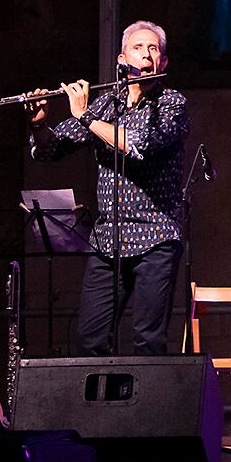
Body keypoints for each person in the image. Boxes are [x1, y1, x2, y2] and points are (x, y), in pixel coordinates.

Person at [26, 21, 189, 354]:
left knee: (148, 340)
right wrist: (40, 123)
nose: (146, 54)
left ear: (164, 62)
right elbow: (52, 149)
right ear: (122, 58)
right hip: (108, 241)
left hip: (155, 237)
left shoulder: (171, 105)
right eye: (139, 48)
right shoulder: (106, 104)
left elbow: (137, 144)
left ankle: (147, 408)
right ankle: (103, 406)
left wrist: (85, 116)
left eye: (154, 49)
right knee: (91, 339)